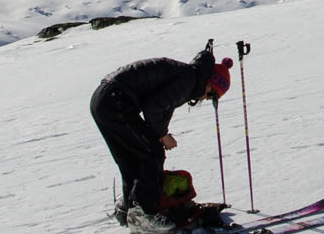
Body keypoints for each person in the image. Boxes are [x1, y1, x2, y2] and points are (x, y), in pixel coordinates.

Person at [90, 44, 232, 233]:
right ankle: (144, 215)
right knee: (152, 153)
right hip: (116, 101)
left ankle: (129, 209)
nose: (207, 99)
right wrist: (162, 136)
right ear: (210, 83)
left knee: (131, 156)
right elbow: (153, 107)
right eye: (212, 94)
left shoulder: (187, 75)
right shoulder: (189, 80)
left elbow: (163, 108)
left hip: (103, 100)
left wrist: (159, 134)